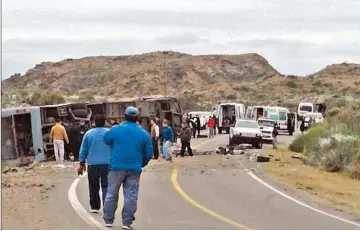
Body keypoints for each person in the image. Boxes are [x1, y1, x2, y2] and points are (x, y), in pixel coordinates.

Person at [102, 106, 153, 229]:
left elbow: (106, 140)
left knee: (111, 193)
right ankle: (127, 222)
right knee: (131, 195)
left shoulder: (116, 130)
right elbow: (149, 153)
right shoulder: (143, 133)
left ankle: (108, 219)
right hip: (134, 168)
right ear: (137, 118)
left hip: (116, 167)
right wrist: (142, 163)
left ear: (124, 116)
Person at [78, 114, 111, 213]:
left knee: (93, 186)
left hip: (92, 164)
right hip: (107, 163)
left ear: (94, 123)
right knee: (106, 186)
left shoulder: (88, 134)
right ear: (105, 122)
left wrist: (82, 162)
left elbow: (83, 149)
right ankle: (107, 205)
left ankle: (95, 206)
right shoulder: (109, 133)